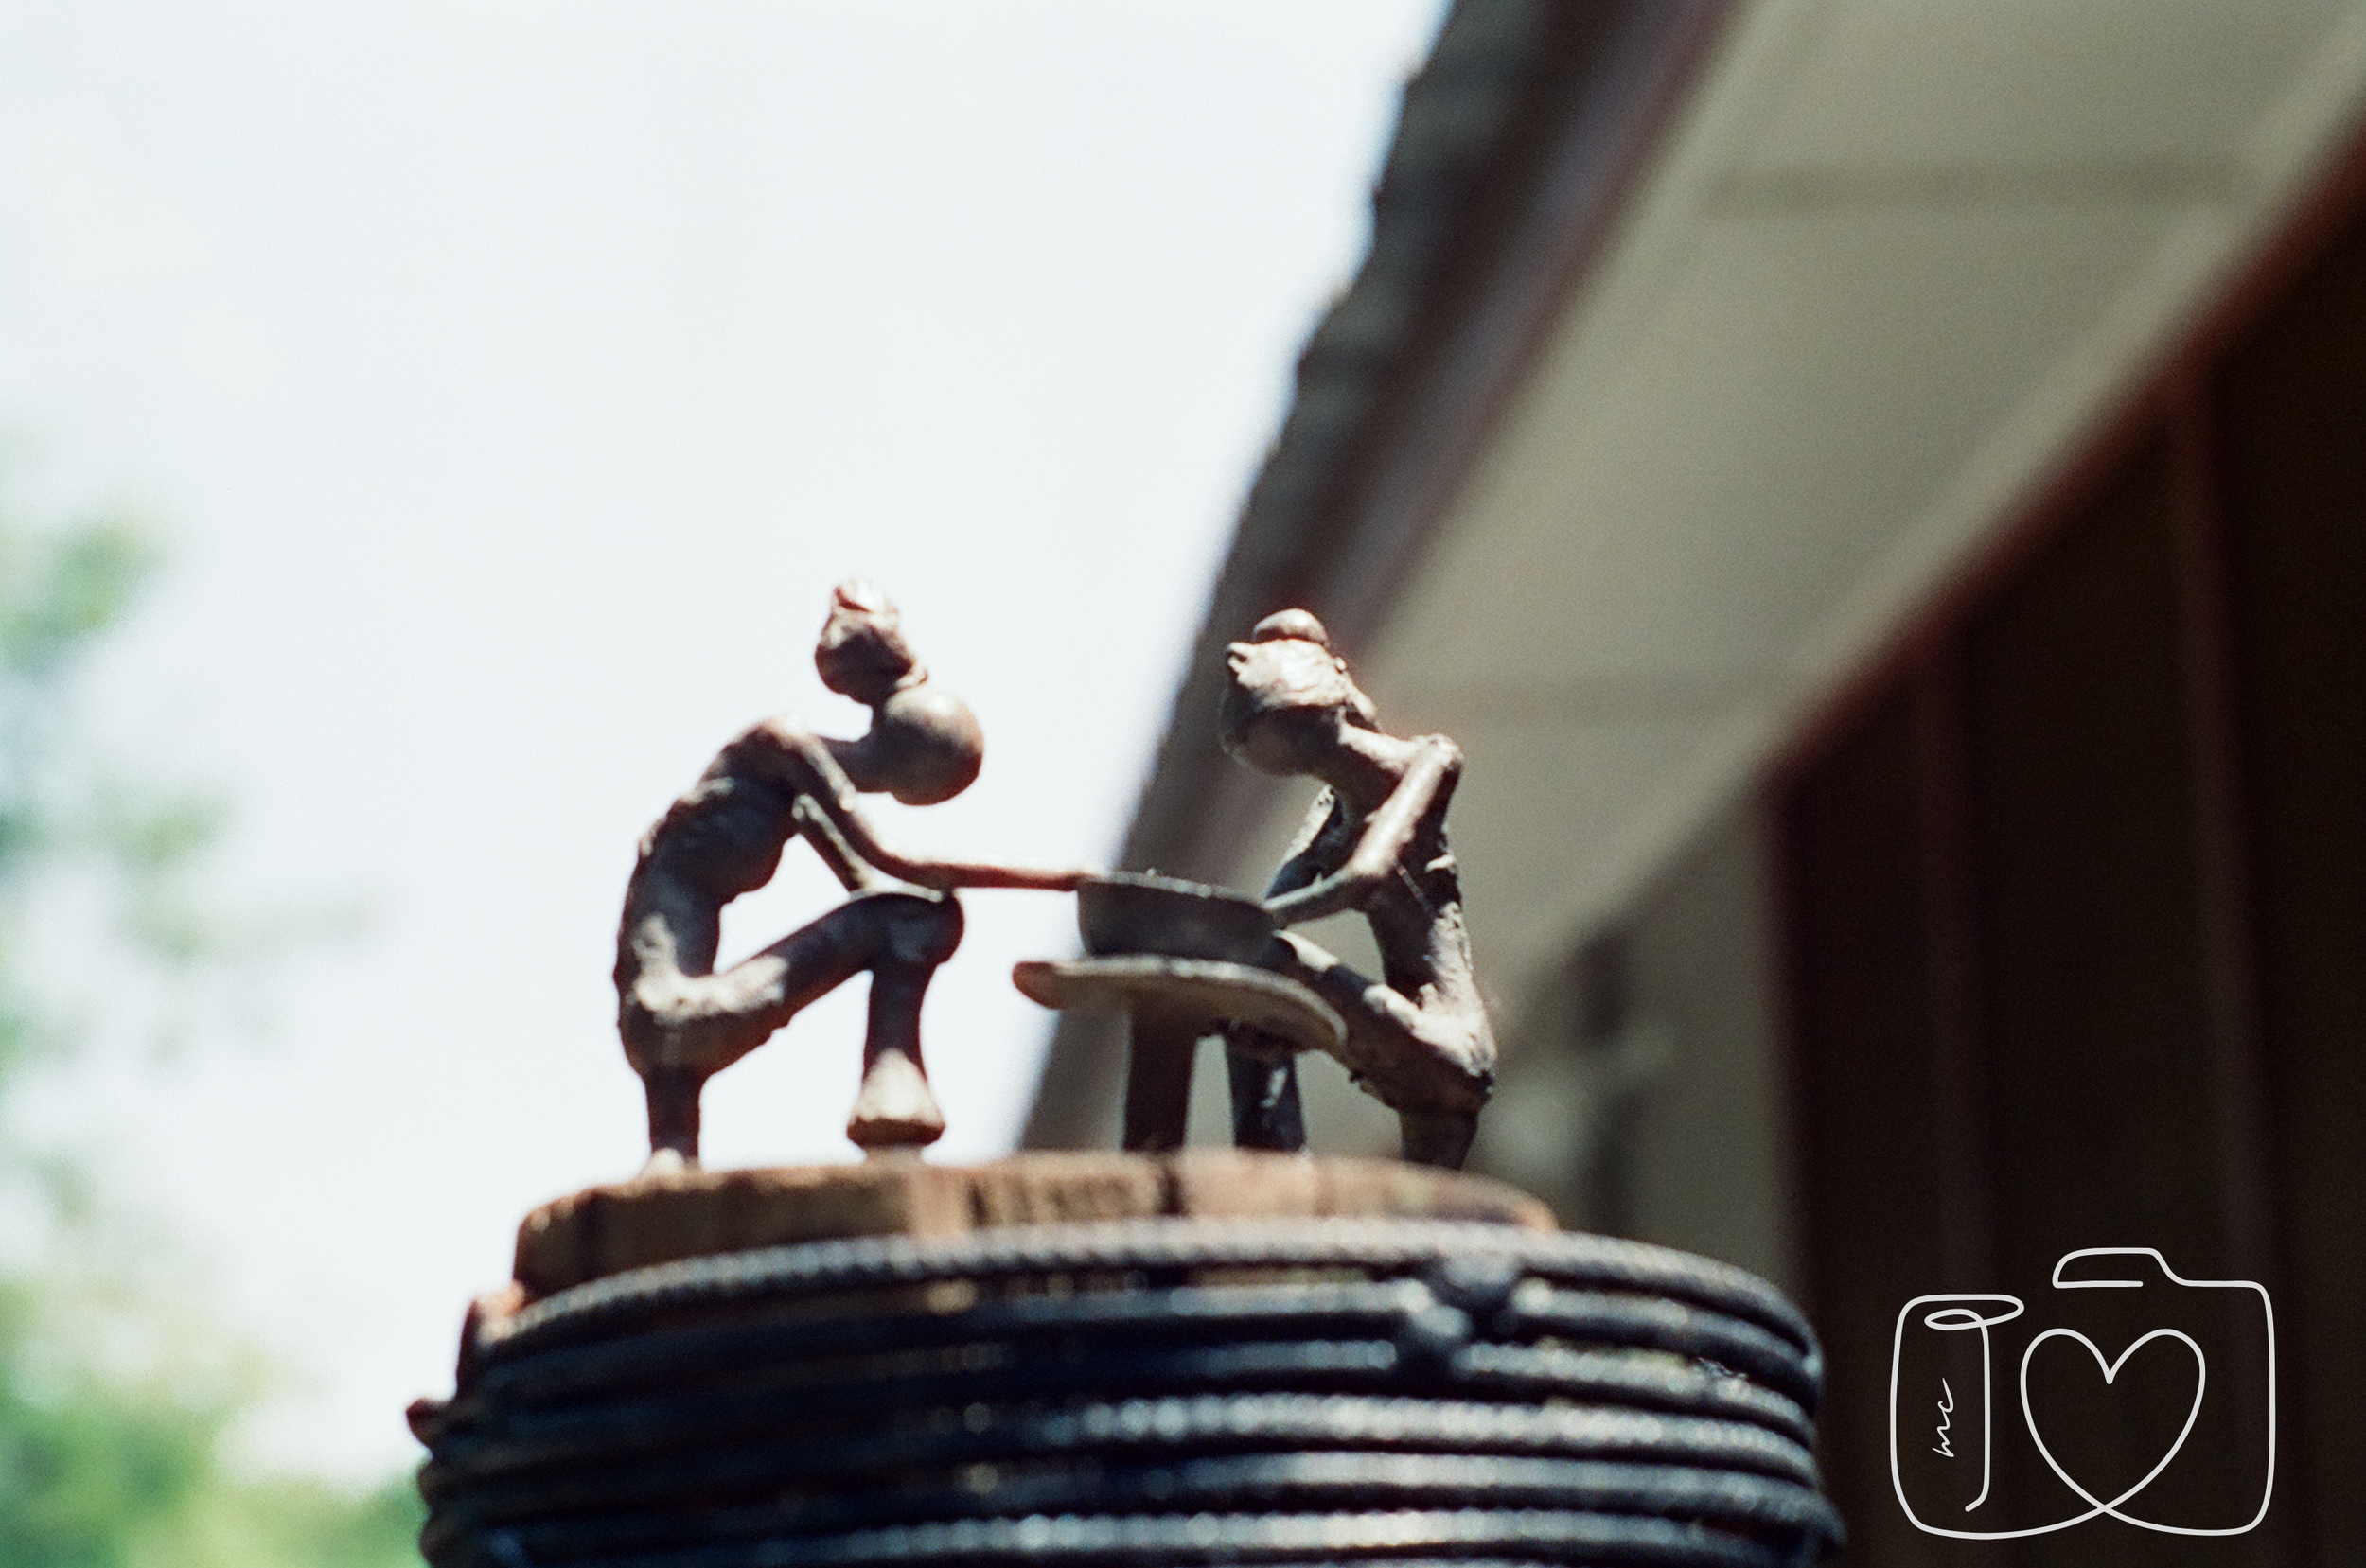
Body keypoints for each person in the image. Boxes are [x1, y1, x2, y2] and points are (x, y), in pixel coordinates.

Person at [616, 579, 1083, 1169]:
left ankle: (881, 1097)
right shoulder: (781, 745)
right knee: (908, 918)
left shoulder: (791, 793)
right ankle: (886, 1100)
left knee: (911, 917)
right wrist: (1062, 879)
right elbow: (891, 859)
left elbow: (865, 879)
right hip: (668, 1019)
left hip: (672, 1022)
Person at [1217, 608, 1495, 1168]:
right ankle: (1275, 1197)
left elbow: (1363, 876)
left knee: (1260, 962)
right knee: (1247, 991)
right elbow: (1273, 902)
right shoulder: (1329, 807)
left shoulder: (1430, 758)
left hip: (1448, 1042)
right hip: (1402, 1041)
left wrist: (1237, 932)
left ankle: (1272, 1194)